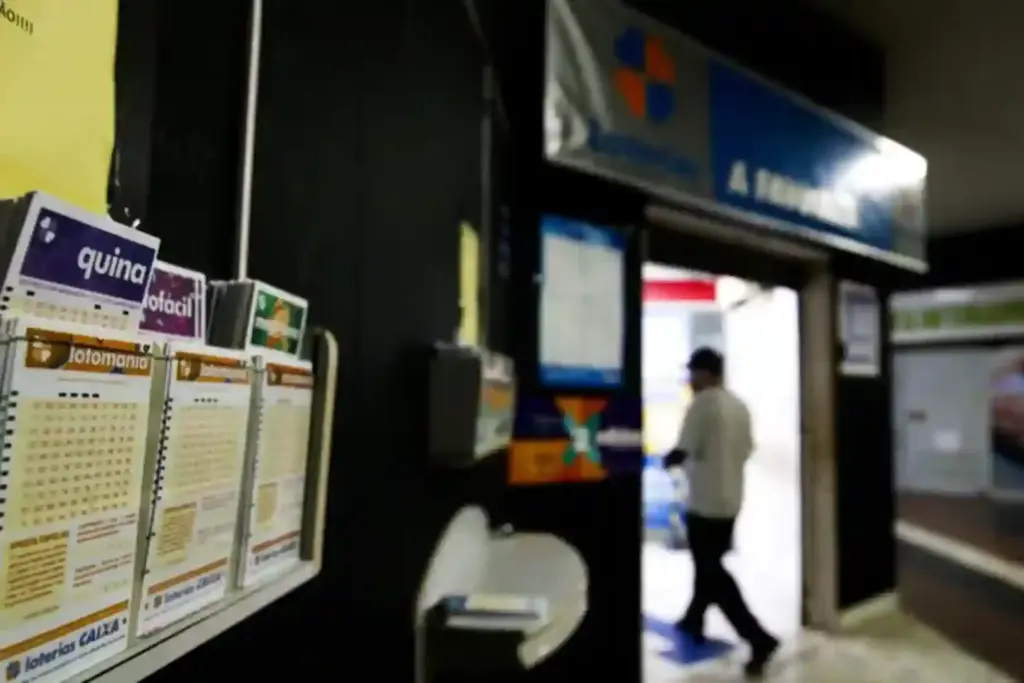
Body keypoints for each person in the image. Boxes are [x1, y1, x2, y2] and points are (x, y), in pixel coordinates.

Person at [663, 347, 779, 678]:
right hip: (730, 503)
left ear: (706, 373)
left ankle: (759, 639)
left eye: (692, 373)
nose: (689, 380)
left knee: (712, 572)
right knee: (707, 564)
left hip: (704, 503)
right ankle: (693, 619)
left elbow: (682, 450)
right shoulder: (739, 405)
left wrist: (665, 460)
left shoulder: (704, 404)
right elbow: (747, 449)